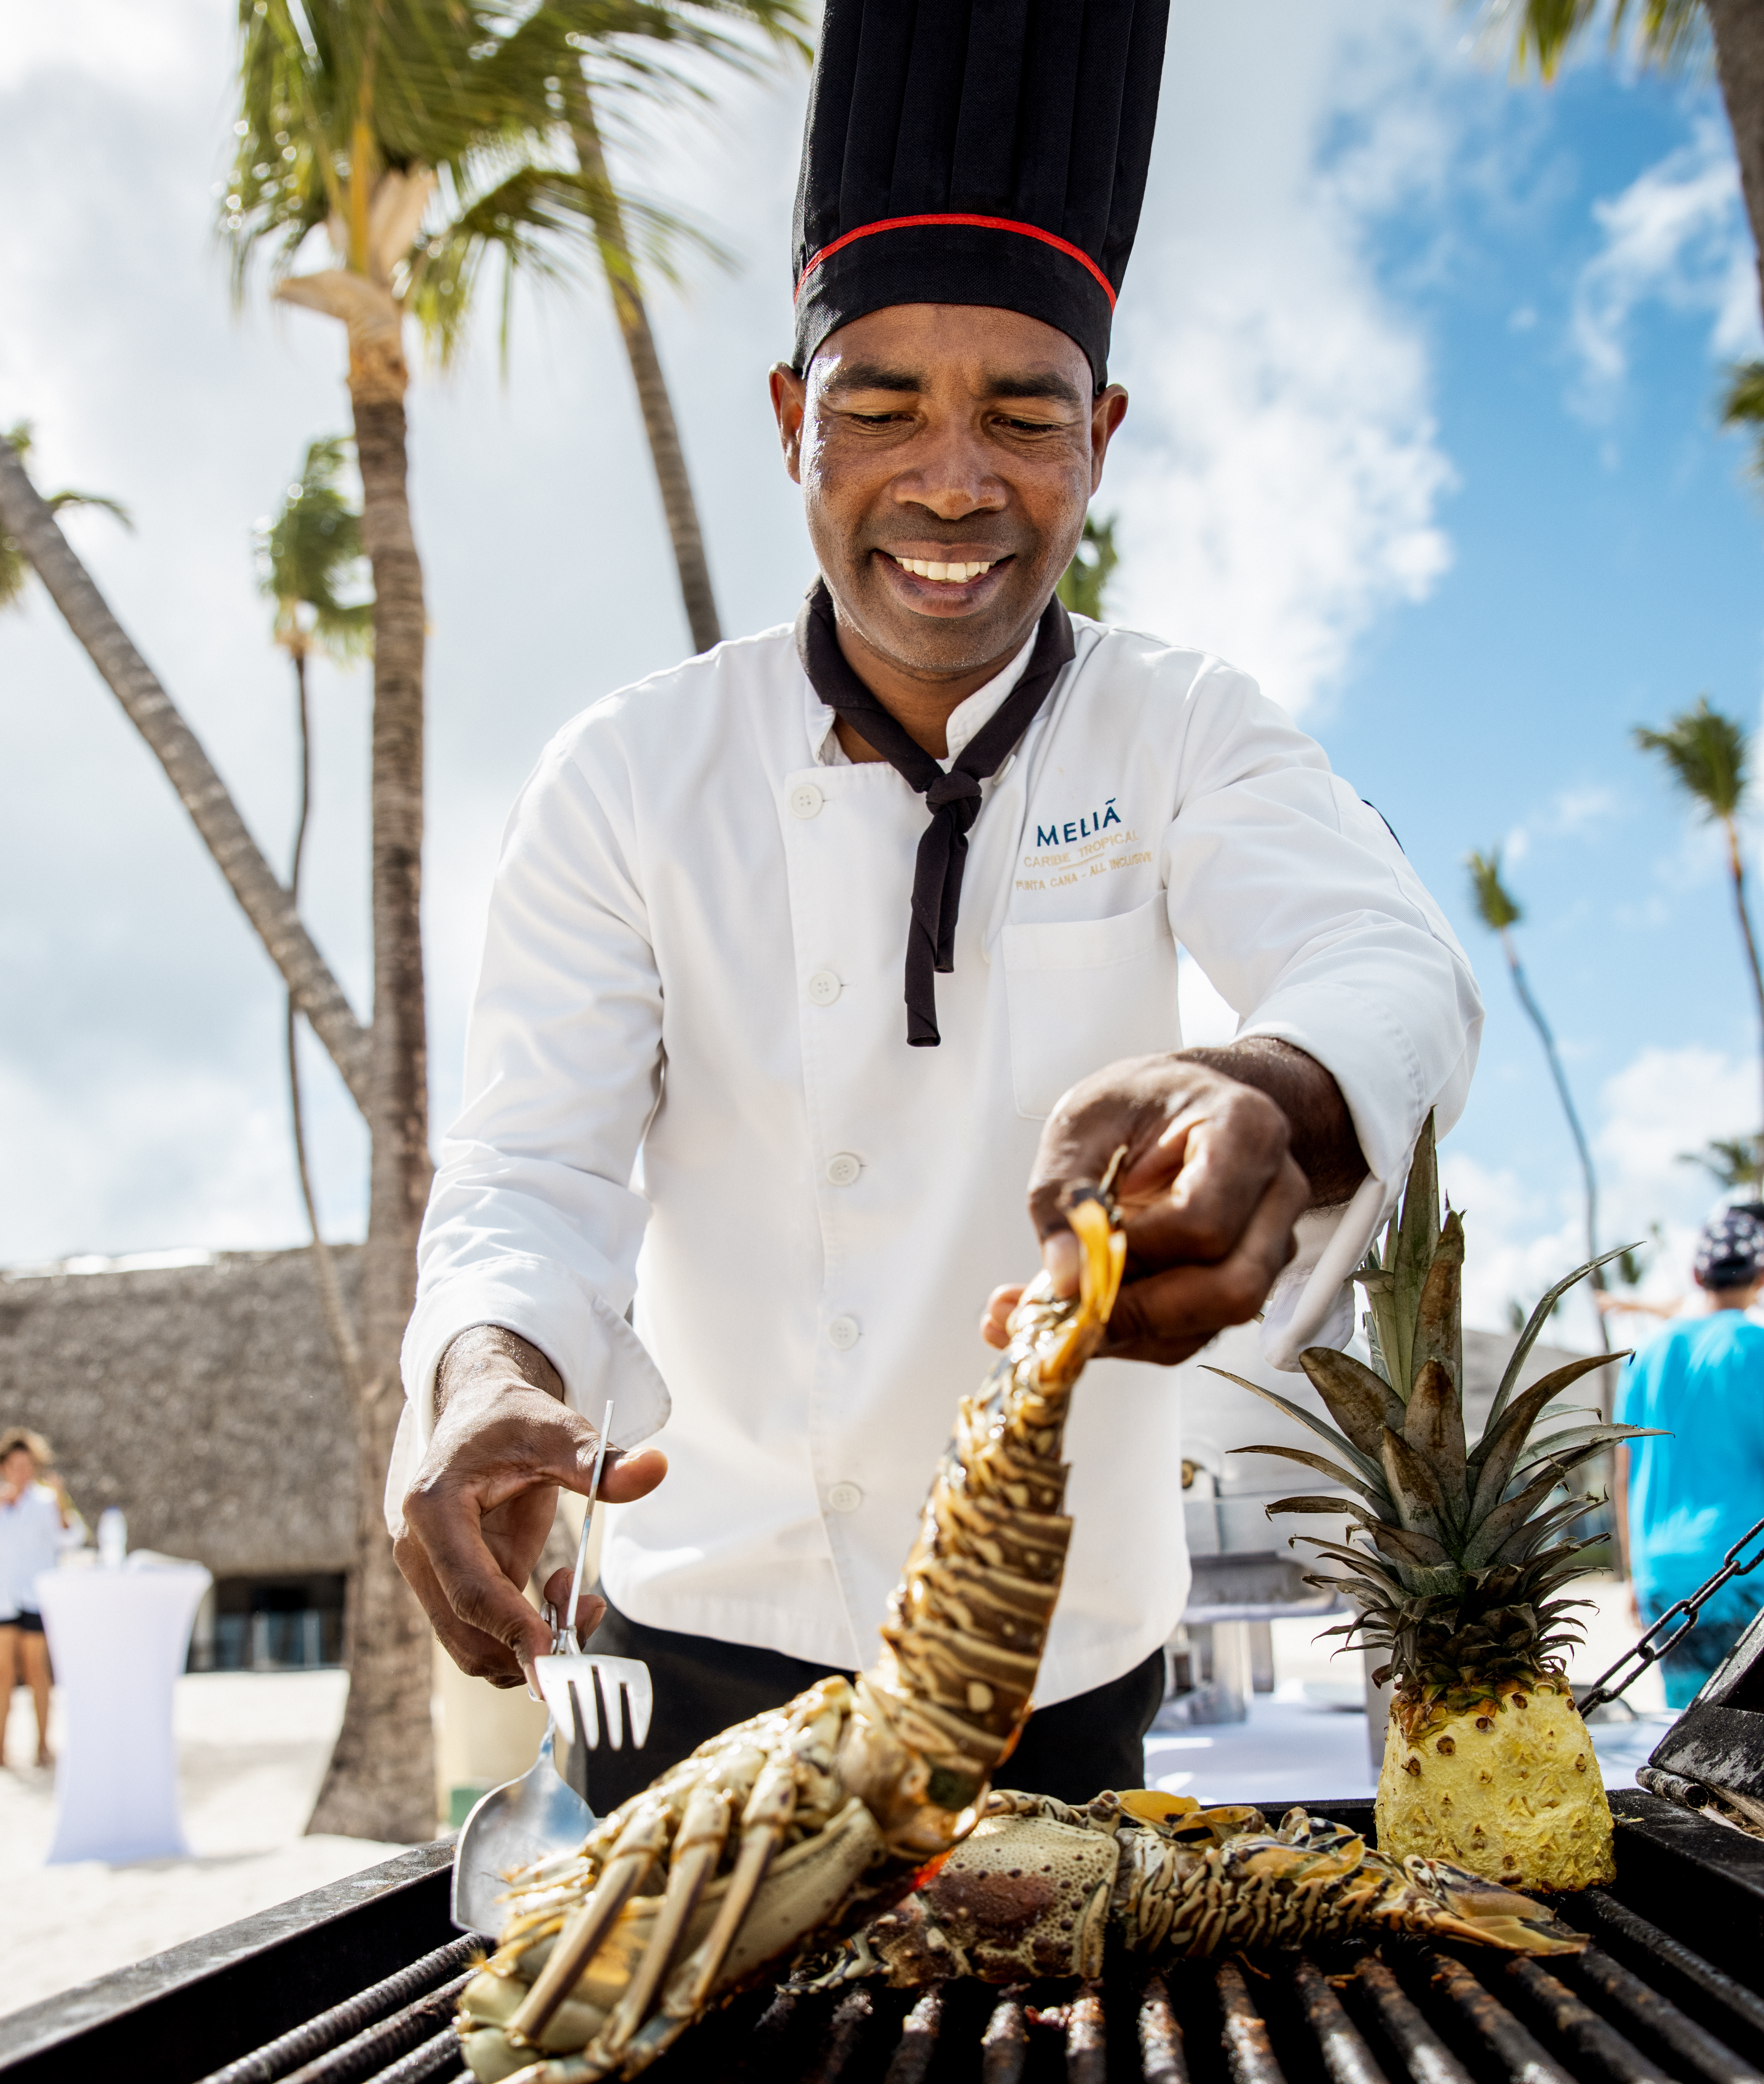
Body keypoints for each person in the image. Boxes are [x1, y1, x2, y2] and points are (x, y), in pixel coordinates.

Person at [391, 0, 1483, 1811]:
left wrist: (1270, 1092)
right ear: (787, 423)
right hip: (696, 1645)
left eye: (1024, 416)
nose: (954, 482)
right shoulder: (627, 772)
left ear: (1104, 436)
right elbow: (536, 1170)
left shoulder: (1182, 726)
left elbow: (1389, 965)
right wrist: (488, 1363)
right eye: (881, 408)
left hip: (1061, 1664)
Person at [1617, 1212, 1764, 1710]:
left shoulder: (1648, 1355)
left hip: (1664, 1571)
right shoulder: (1755, 1347)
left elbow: (1626, 1471)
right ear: (1760, 1278)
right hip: (1743, 1567)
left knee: (1690, 1730)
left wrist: (1634, 1575)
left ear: (1697, 1276)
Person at [0, 1428, 70, 1768]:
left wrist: (59, 1500)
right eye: (15, 1466)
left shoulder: (47, 1502)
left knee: (37, 1671)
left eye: (28, 1466)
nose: (21, 1473)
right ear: (3, 1468)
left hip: (35, 1597)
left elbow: (70, 1537)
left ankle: (43, 1748)